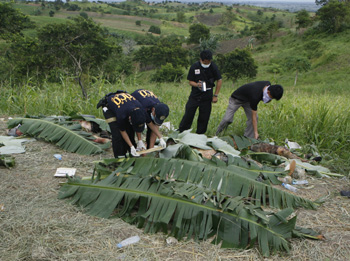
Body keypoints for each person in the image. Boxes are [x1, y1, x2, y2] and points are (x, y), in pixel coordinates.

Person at [216, 81, 283, 139]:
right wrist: (256, 132)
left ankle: (248, 138)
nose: (271, 99)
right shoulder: (255, 95)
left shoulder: (268, 84)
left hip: (248, 100)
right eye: (272, 98)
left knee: (255, 118)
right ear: (268, 92)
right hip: (236, 99)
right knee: (227, 119)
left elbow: (254, 118)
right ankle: (217, 134)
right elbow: (253, 115)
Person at [178, 49, 222, 134]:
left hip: (207, 95)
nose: (207, 64)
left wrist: (215, 95)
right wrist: (197, 85)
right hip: (195, 95)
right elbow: (190, 81)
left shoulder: (213, 67)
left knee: (204, 117)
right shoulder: (194, 66)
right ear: (201, 60)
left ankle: (200, 134)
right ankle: (182, 132)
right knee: (188, 115)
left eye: (208, 62)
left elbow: (219, 80)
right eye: (205, 63)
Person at [97, 91, 147, 158]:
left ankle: (133, 153)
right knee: (117, 134)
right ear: (130, 118)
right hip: (109, 107)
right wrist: (131, 146)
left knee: (130, 131)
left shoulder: (141, 110)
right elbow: (122, 130)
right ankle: (119, 157)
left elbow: (138, 124)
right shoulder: (121, 114)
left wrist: (140, 141)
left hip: (124, 105)